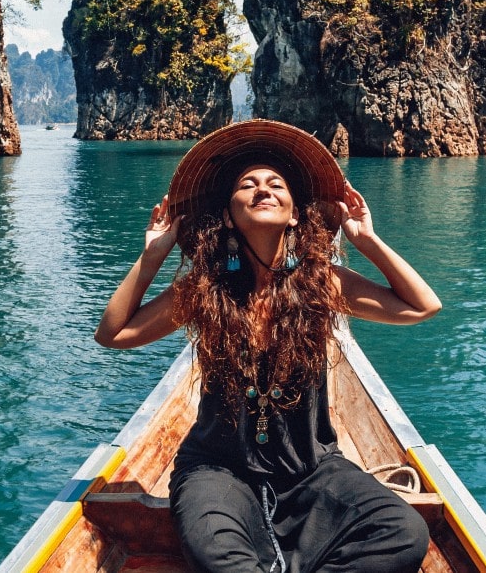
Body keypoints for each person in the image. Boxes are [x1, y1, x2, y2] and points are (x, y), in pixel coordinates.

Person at [95, 119, 442, 573]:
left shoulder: (323, 284)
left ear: (295, 213)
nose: (264, 190)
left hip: (312, 471)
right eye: (248, 185)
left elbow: (422, 306)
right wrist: (152, 256)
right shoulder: (205, 289)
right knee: (216, 553)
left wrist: (367, 241)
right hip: (217, 471)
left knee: (403, 532)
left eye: (276, 184)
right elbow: (113, 334)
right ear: (227, 214)